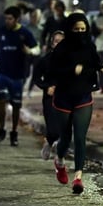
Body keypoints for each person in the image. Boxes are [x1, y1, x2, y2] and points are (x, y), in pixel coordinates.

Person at [48, 12, 103, 194]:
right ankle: (59, 161)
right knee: (65, 137)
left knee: (80, 138)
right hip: (64, 97)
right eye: (76, 29)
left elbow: (96, 62)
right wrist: (72, 70)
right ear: (69, 29)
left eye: (83, 29)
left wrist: (102, 67)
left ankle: (78, 177)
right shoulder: (61, 49)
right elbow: (53, 71)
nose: (80, 32)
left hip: (83, 97)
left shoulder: (89, 46)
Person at [0, 6, 40, 146]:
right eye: (6, 18)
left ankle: (14, 132)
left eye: (10, 19)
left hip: (18, 74)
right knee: (2, 100)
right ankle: (1, 129)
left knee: (16, 105)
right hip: (2, 72)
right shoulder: (1, 31)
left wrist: (29, 50)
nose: (7, 21)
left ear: (17, 19)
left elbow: (36, 49)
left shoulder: (25, 33)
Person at [32, 30, 65, 160]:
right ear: (52, 44)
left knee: (64, 125)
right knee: (52, 126)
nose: (59, 45)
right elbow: (36, 78)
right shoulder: (45, 60)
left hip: (66, 96)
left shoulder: (71, 60)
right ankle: (50, 141)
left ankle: (55, 144)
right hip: (50, 97)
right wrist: (46, 87)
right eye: (57, 41)